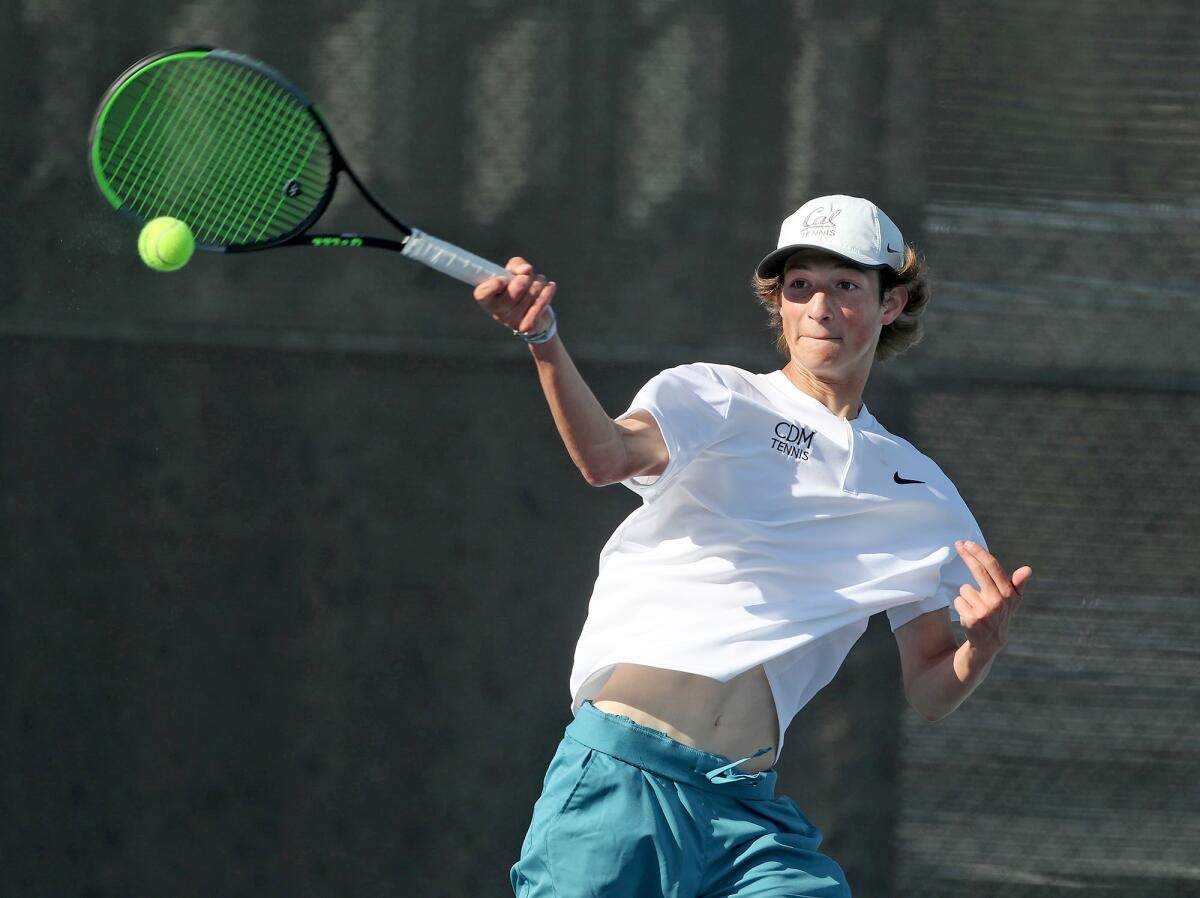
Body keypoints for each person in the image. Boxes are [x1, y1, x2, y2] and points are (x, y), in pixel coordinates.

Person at [474, 195, 1032, 898]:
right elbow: (606, 456)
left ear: (891, 304)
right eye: (800, 287)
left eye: (845, 286)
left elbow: (929, 687)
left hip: (746, 817)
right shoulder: (715, 397)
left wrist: (978, 648)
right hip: (623, 779)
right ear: (780, 304)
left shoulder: (923, 494)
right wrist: (545, 339)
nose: (819, 306)